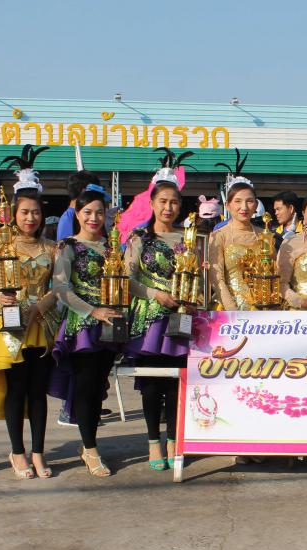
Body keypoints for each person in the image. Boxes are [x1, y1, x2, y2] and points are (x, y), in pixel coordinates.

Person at [0, 145, 58, 480]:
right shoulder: (0, 245)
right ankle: (17, 452)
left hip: (42, 325)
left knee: (38, 392)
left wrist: (40, 306)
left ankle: (38, 452)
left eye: (35, 212)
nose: (30, 218)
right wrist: (0, 297)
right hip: (9, 326)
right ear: (14, 213)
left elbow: (59, 286)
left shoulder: (52, 248)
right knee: (16, 389)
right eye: (24, 212)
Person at [49, 185, 122, 477]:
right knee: (85, 386)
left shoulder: (111, 247)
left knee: (98, 387)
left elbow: (124, 281)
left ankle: (89, 444)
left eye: (99, 213)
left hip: (110, 325)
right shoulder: (68, 246)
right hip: (82, 326)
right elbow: (61, 288)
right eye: (88, 212)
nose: (94, 218)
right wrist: (93, 311)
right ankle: (90, 449)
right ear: (77, 214)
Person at [124, 162, 189, 471]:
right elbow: (127, 280)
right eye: (163, 201)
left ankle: (175, 440)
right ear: (151, 203)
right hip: (148, 320)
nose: (168, 207)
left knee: (177, 383)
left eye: (174, 202)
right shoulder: (139, 238)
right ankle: (153, 441)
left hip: (180, 318)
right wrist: (155, 294)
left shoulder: (188, 240)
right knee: (151, 384)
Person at [208, 160, 264, 311]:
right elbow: (217, 278)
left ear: (256, 205)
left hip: (261, 310)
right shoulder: (219, 236)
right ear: (228, 205)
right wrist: (232, 310)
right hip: (228, 309)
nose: (244, 207)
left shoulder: (265, 235)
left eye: (249, 201)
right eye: (238, 201)